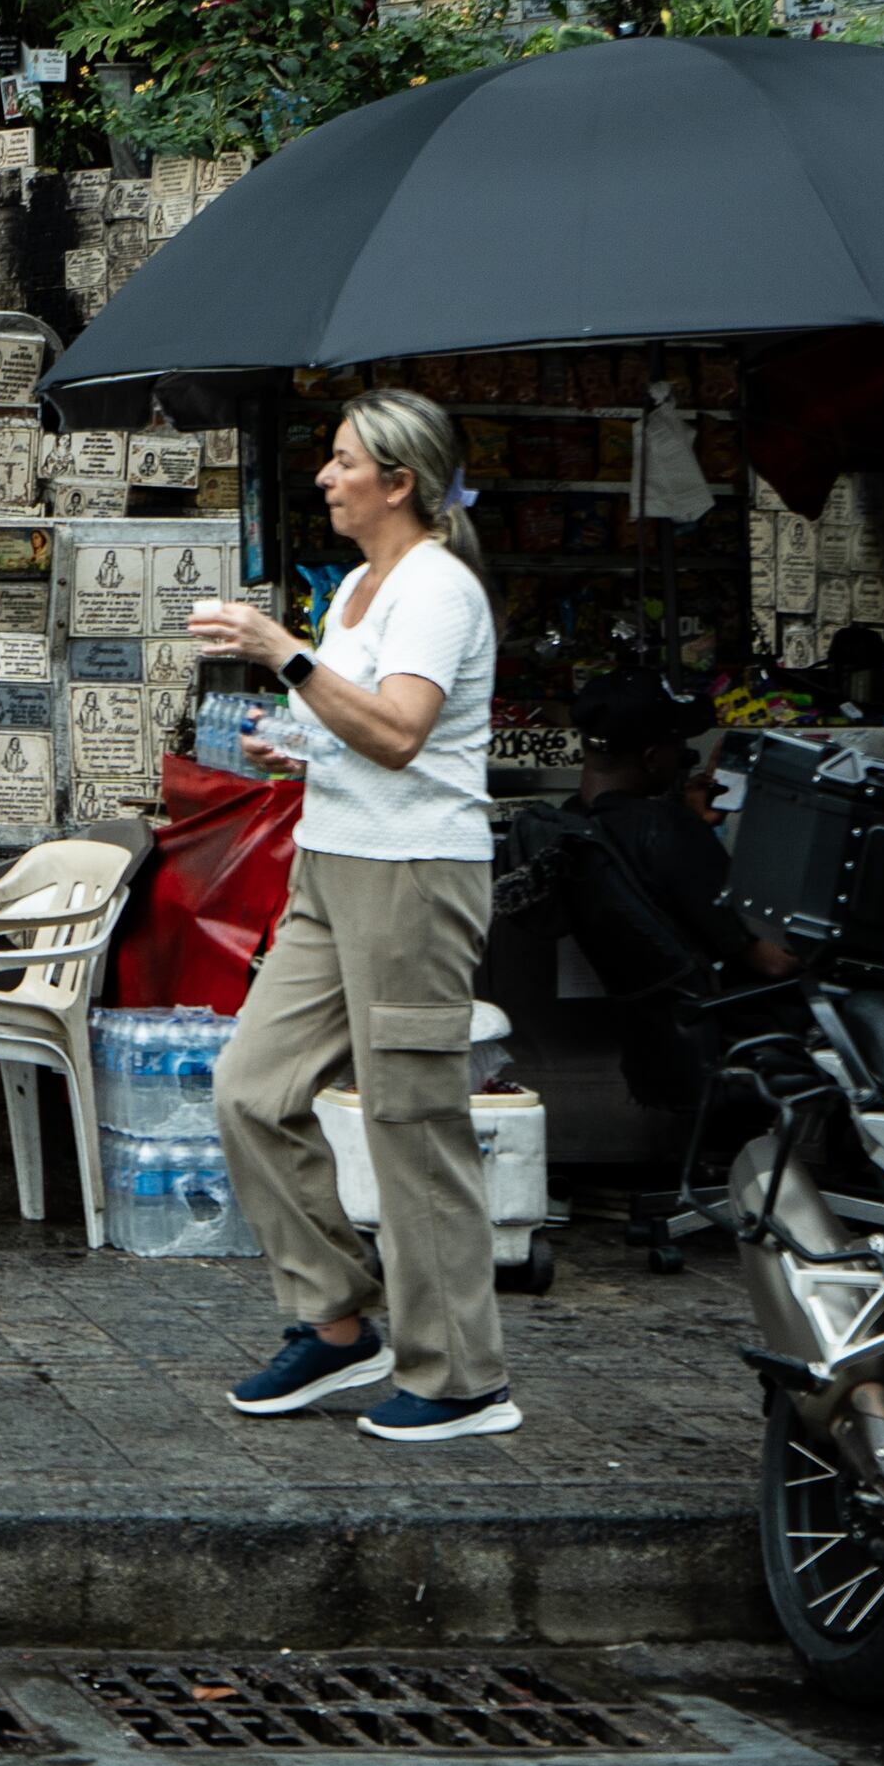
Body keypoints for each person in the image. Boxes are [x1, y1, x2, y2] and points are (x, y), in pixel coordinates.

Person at [192, 388, 519, 1446]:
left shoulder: (434, 589)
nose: (325, 477)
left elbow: (400, 734)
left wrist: (280, 653)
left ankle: (463, 1375)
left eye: (342, 462)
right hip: (330, 866)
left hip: (415, 876)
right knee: (250, 1088)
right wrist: (292, 742)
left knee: (410, 1122)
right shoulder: (358, 592)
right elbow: (348, 730)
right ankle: (336, 1321)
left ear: (398, 482)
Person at [539, 668, 790, 1119]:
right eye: (679, 749)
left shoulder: (570, 826)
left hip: (659, 1047)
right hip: (733, 1041)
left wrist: (688, 820)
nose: (686, 758)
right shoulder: (669, 832)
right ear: (654, 758)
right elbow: (774, 961)